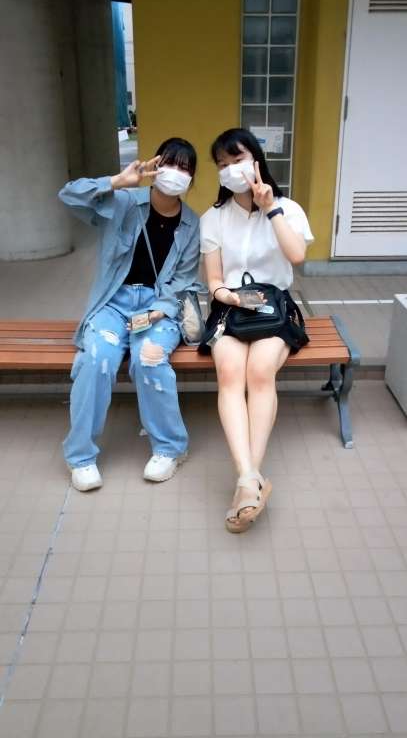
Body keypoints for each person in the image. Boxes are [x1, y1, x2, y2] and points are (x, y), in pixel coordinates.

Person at [58, 137, 200, 491]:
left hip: (157, 305)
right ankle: (80, 457)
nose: (177, 173)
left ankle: (170, 448)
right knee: (96, 359)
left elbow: (184, 279)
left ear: (192, 179)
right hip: (113, 302)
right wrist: (116, 181)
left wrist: (160, 311)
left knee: (149, 358)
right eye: (170, 163)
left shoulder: (191, 224)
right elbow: (69, 196)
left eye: (185, 168)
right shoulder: (124, 201)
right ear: (155, 166)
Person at [200, 128, 314, 533]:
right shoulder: (213, 217)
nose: (231, 169)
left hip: (275, 309)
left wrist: (271, 209)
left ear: (256, 160)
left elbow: (297, 256)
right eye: (223, 164)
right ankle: (249, 479)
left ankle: (248, 480)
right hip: (230, 310)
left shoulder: (288, 208)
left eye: (238, 160)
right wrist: (228, 296)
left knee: (260, 371)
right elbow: (214, 279)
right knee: (230, 373)